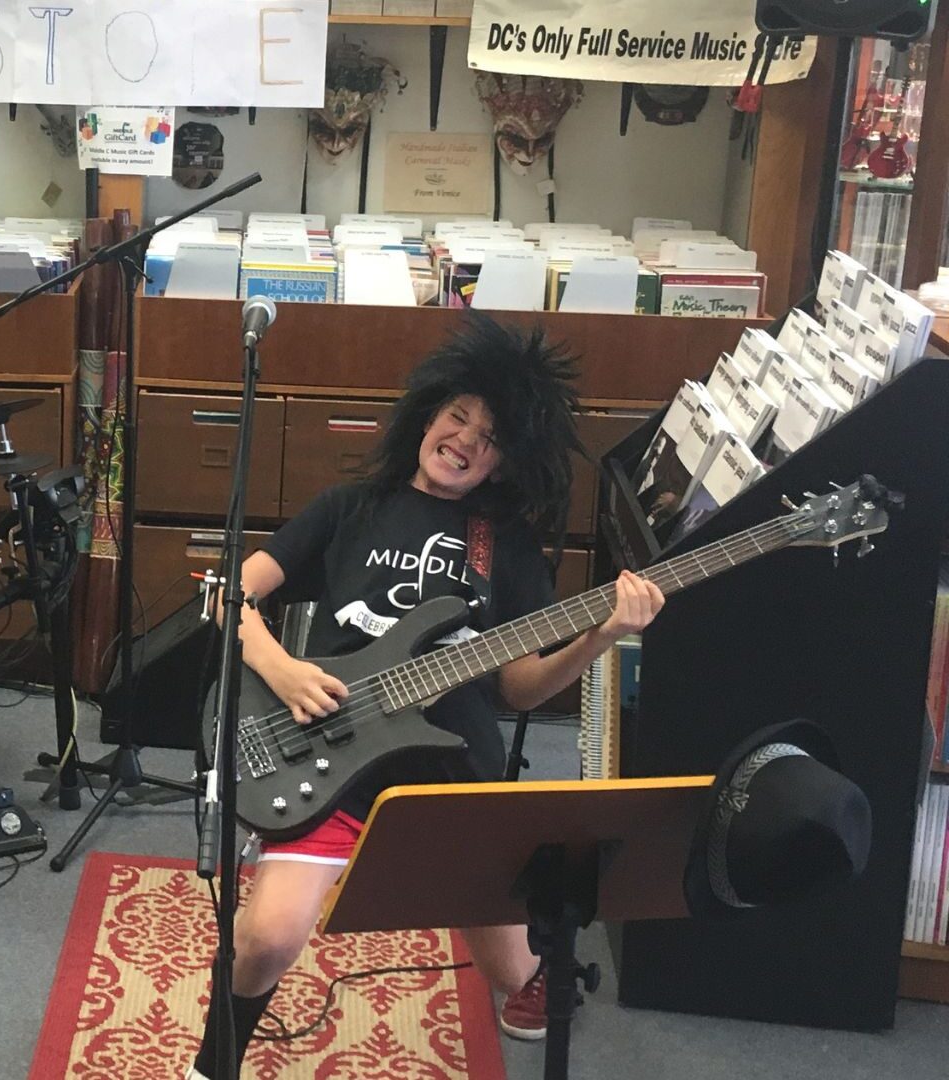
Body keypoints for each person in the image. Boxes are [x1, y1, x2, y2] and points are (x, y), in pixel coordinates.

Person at [187, 314, 666, 1076]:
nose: (465, 440)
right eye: (457, 417)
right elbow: (228, 594)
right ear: (427, 414)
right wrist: (280, 668)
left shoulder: (502, 548)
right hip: (332, 750)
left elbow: (519, 685)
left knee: (525, 988)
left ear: (507, 463)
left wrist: (601, 635)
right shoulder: (350, 507)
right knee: (269, 937)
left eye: (490, 435)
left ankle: (527, 972)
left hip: (451, 769)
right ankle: (216, 1061)